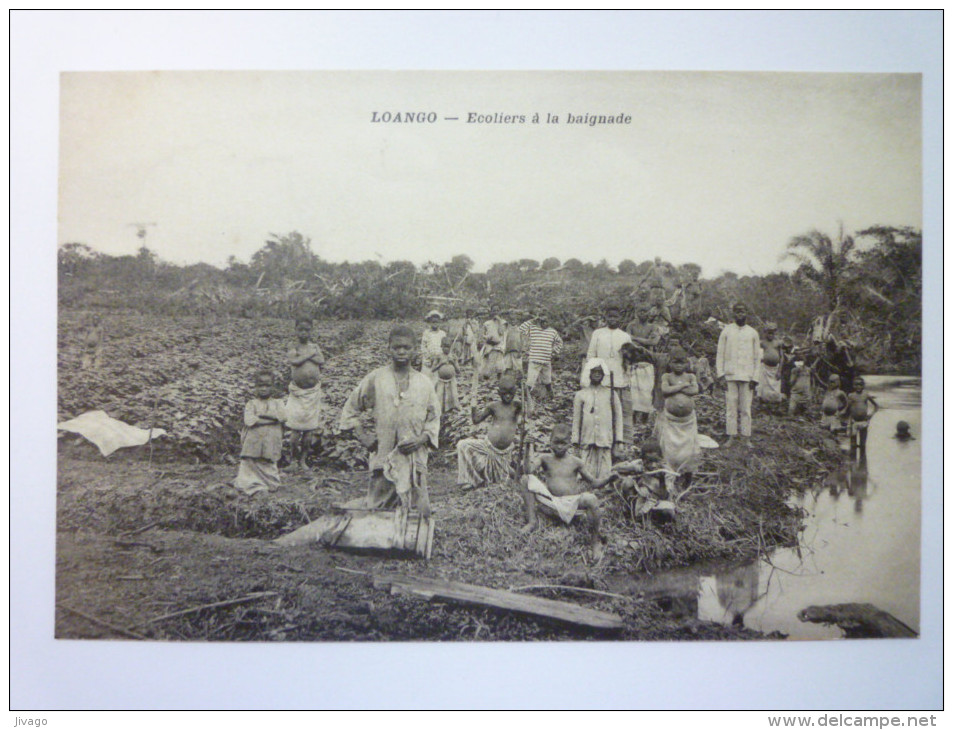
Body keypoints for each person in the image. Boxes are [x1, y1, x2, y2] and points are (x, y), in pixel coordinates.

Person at [339, 325, 441, 516]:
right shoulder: (376, 378)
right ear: (389, 348)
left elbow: (434, 417)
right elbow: (350, 409)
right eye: (397, 347)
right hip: (383, 454)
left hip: (413, 457)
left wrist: (421, 439)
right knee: (378, 509)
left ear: (415, 350)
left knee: (415, 512)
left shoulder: (424, 383)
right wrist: (363, 436)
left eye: (406, 347)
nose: (401, 352)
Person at [520, 424, 615, 559]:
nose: (559, 446)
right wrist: (527, 448)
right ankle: (532, 521)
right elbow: (528, 470)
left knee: (591, 499)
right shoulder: (544, 458)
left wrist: (609, 478)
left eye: (563, 443)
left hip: (571, 504)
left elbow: (594, 483)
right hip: (550, 502)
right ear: (550, 441)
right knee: (526, 479)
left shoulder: (576, 462)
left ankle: (595, 542)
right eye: (556, 442)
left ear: (569, 443)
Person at [456, 372, 522, 489]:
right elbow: (476, 420)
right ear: (499, 393)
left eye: (510, 394)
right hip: (488, 447)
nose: (507, 396)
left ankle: (502, 472)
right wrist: (473, 404)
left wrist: (528, 395)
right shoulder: (493, 406)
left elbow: (530, 413)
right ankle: (469, 480)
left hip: (504, 452)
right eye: (504, 394)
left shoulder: (517, 406)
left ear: (515, 392)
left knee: (504, 482)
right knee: (463, 445)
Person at [586, 304, 634, 451]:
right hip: (602, 379)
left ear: (620, 318)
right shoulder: (598, 334)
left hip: (620, 379)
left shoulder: (625, 336)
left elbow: (629, 359)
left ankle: (620, 444)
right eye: (610, 316)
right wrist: (591, 376)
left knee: (621, 412)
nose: (613, 319)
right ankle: (602, 441)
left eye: (616, 316)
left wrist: (628, 377)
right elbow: (591, 356)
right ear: (605, 318)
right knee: (603, 412)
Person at [716, 302, 761, 447]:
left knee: (746, 408)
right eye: (737, 312)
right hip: (730, 375)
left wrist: (755, 377)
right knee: (731, 407)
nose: (740, 314)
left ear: (746, 313)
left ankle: (746, 438)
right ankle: (731, 437)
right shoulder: (727, 331)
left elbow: (757, 357)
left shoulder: (753, 332)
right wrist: (721, 375)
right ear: (733, 313)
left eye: (742, 311)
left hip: (747, 376)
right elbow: (720, 355)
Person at [234, 370, 286, 495]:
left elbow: (283, 417)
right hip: (254, 439)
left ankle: (269, 483)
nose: (263, 389)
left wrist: (261, 416)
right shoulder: (251, 404)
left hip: (270, 439)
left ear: (273, 387)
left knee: (268, 460)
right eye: (260, 385)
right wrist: (272, 419)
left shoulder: (278, 403)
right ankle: (251, 485)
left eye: (267, 385)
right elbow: (250, 420)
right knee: (251, 460)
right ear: (255, 387)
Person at [572, 359, 624, 480]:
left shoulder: (611, 394)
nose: (597, 374)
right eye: (594, 371)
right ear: (589, 373)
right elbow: (576, 419)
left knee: (605, 469)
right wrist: (575, 439)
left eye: (599, 372)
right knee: (585, 467)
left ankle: (603, 486)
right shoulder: (581, 394)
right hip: (587, 438)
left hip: (605, 437)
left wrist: (619, 440)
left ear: (603, 374)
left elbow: (618, 418)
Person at [285, 317, 325, 471]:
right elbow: (294, 361)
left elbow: (321, 360)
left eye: (307, 330)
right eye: (300, 329)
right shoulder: (293, 346)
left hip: (312, 393)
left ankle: (303, 460)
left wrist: (306, 356)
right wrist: (309, 355)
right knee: (295, 430)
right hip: (297, 393)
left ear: (311, 331)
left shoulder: (314, 346)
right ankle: (293, 460)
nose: (303, 333)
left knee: (309, 430)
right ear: (295, 330)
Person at [657, 347, 701, 480]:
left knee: (689, 449)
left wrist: (675, 389)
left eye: (681, 362)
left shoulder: (690, 376)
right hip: (671, 420)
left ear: (686, 364)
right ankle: (670, 472)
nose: (678, 365)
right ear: (670, 364)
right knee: (669, 448)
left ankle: (687, 473)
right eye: (675, 362)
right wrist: (682, 386)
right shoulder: (667, 376)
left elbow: (695, 390)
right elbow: (665, 390)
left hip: (687, 421)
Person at [519, 312, 564, 415]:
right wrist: (533, 320)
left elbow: (559, 342)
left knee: (547, 380)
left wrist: (554, 351)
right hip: (535, 360)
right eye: (543, 321)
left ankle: (550, 395)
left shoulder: (552, 332)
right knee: (530, 380)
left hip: (546, 360)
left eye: (547, 321)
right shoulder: (533, 329)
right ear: (540, 321)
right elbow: (521, 329)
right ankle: (526, 398)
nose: (545, 323)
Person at [621, 342, 654, 426]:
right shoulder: (628, 359)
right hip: (635, 379)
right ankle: (634, 421)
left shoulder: (642, 357)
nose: (624, 353)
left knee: (646, 399)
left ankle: (644, 420)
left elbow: (649, 366)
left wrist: (638, 366)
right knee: (634, 400)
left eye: (626, 351)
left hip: (645, 378)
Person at [845, 376, 879, 457]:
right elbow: (847, 408)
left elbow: (876, 406)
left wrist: (870, 415)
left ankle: (862, 466)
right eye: (856, 385)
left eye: (860, 385)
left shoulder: (866, 395)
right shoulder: (851, 396)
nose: (858, 387)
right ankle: (852, 465)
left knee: (863, 445)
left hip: (864, 422)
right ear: (853, 386)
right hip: (854, 422)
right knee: (853, 445)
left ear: (863, 386)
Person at [757, 322, 785, 408]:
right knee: (763, 388)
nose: (770, 334)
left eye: (772, 333)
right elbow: (758, 355)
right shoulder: (762, 343)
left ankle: (775, 406)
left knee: (775, 389)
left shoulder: (778, 343)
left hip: (775, 369)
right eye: (768, 332)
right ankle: (763, 405)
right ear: (765, 333)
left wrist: (779, 371)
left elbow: (782, 357)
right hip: (765, 369)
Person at [431, 337, 461, 413]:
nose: (446, 349)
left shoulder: (453, 357)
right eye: (445, 347)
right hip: (441, 381)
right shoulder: (438, 356)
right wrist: (440, 364)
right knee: (439, 396)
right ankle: (439, 410)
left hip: (451, 381)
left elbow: (458, 371)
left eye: (448, 347)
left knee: (453, 395)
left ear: (451, 347)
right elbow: (432, 369)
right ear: (441, 346)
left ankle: (453, 409)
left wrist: (453, 363)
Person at [479, 311, 506, 380]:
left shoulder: (503, 323)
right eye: (493, 310)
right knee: (488, 362)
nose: (495, 313)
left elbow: (501, 332)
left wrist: (499, 321)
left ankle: (499, 379)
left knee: (499, 364)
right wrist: (486, 339)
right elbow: (483, 334)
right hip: (489, 345)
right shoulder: (487, 323)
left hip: (499, 345)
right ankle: (486, 378)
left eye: (497, 310)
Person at [420, 311, 447, 380]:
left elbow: (445, 346)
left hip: (439, 359)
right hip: (428, 359)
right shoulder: (426, 333)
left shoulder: (442, 333)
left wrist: (440, 356)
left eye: (437, 322)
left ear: (440, 322)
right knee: (427, 377)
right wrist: (428, 356)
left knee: (437, 378)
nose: (435, 324)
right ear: (429, 322)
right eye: (433, 322)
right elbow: (423, 346)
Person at [500, 310, 524, 376]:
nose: (513, 321)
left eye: (515, 320)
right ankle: (508, 381)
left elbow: (522, 341)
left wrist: (520, 351)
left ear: (517, 321)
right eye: (512, 320)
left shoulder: (520, 329)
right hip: (508, 351)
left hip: (516, 351)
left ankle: (520, 382)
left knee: (518, 368)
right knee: (507, 367)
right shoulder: (507, 329)